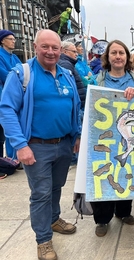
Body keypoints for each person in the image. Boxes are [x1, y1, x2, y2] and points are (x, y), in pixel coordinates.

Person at [0, 29, 81, 260]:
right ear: (36, 47)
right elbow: (6, 110)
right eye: (45, 47)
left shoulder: (65, 74)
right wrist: (20, 145)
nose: (51, 52)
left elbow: (74, 106)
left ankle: (54, 219)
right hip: (36, 147)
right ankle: (43, 240)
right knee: (41, 194)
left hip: (63, 144)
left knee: (56, 187)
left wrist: (76, 135)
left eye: (55, 47)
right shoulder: (21, 73)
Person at [91, 39, 134, 237]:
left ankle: (124, 212)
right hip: (104, 138)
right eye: (114, 53)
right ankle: (102, 219)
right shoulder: (97, 80)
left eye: (121, 53)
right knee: (104, 173)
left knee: (126, 171)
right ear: (107, 57)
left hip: (130, 136)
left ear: (127, 57)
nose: (118, 56)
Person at [0, 29, 22, 160]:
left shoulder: (14, 57)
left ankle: (16, 155)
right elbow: (5, 75)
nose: (13, 42)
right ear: (2, 40)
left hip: (18, 93)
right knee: (9, 123)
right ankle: (11, 158)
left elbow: (24, 72)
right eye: (10, 39)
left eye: (14, 39)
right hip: (5, 93)